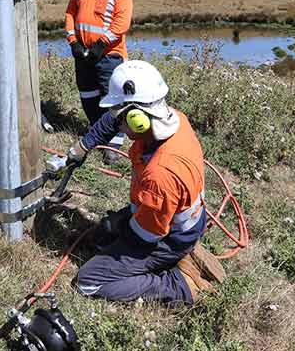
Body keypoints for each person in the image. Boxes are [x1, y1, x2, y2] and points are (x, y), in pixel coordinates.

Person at [65, 60, 225, 304]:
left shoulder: (161, 173)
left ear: (137, 119)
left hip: (168, 237)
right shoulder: (174, 120)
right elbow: (111, 120)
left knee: (88, 281)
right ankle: (175, 257)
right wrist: (83, 146)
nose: (117, 124)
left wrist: (118, 230)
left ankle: (179, 285)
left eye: (121, 118)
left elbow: (146, 236)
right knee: (104, 237)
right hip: (170, 218)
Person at [64, 0, 133, 159]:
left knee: (111, 97)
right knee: (88, 94)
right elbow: (70, 15)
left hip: (109, 56)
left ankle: (114, 142)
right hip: (83, 54)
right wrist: (73, 42)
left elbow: (121, 23)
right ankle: (97, 132)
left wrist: (101, 45)